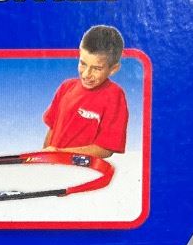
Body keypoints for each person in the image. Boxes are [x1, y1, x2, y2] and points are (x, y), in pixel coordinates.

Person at [41, 24, 129, 158]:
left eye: (97, 68)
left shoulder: (115, 96)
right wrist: (44, 157)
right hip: (54, 165)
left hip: (83, 168)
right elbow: (52, 129)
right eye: (83, 63)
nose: (87, 74)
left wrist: (60, 154)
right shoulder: (66, 87)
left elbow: (106, 149)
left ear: (113, 69)